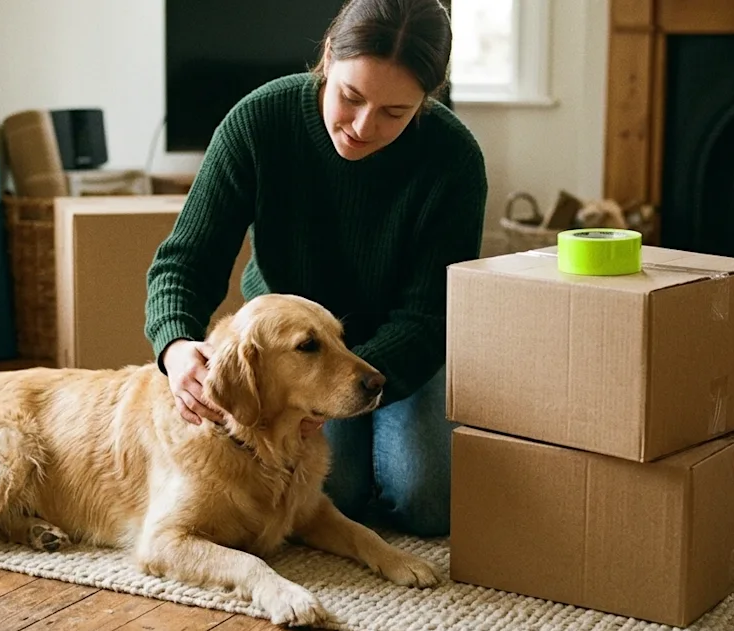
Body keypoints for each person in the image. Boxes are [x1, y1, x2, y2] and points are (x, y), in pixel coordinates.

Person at [143, 0, 487, 538]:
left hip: (403, 354)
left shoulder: (454, 159)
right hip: (293, 357)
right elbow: (185, 261)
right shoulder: (259, 121)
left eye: (395, 113)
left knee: (428, 502)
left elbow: (429, 316)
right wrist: (176, 347)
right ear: (328, 57)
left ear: (427, 99)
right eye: (351, 97)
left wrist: (360, 383)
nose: (362, 126)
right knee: (337, 490)